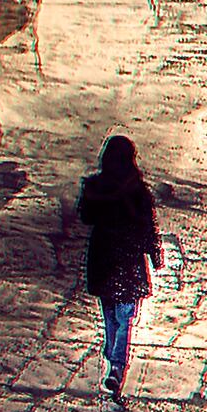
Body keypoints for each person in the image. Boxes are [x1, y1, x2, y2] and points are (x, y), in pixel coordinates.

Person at [78, 135, 164, 394]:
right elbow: (147, 224)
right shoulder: (136, 190)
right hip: (127, 258)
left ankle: (114, 362)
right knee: (123, 316)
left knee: (113, 315)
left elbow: (85, 216)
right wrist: (154, 253)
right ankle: (116, 364)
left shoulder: (97, 186)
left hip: (105, 256)